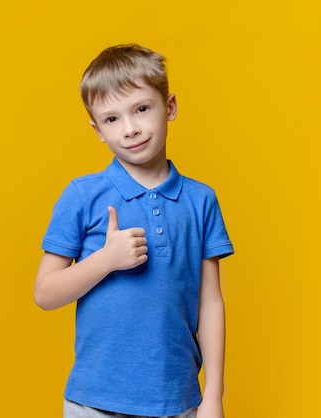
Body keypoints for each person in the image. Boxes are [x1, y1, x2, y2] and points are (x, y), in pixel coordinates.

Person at [35, 44, 234, 418]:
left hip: (177, 401)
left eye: (141, 109)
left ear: (169, 107)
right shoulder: (82, 195)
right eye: (111, 119)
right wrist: (106, 260)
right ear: (97, 130)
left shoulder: (201, 199)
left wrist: (213, 397)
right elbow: (45, 294)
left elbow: (210, 302)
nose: (130, 129)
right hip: (94, 402)